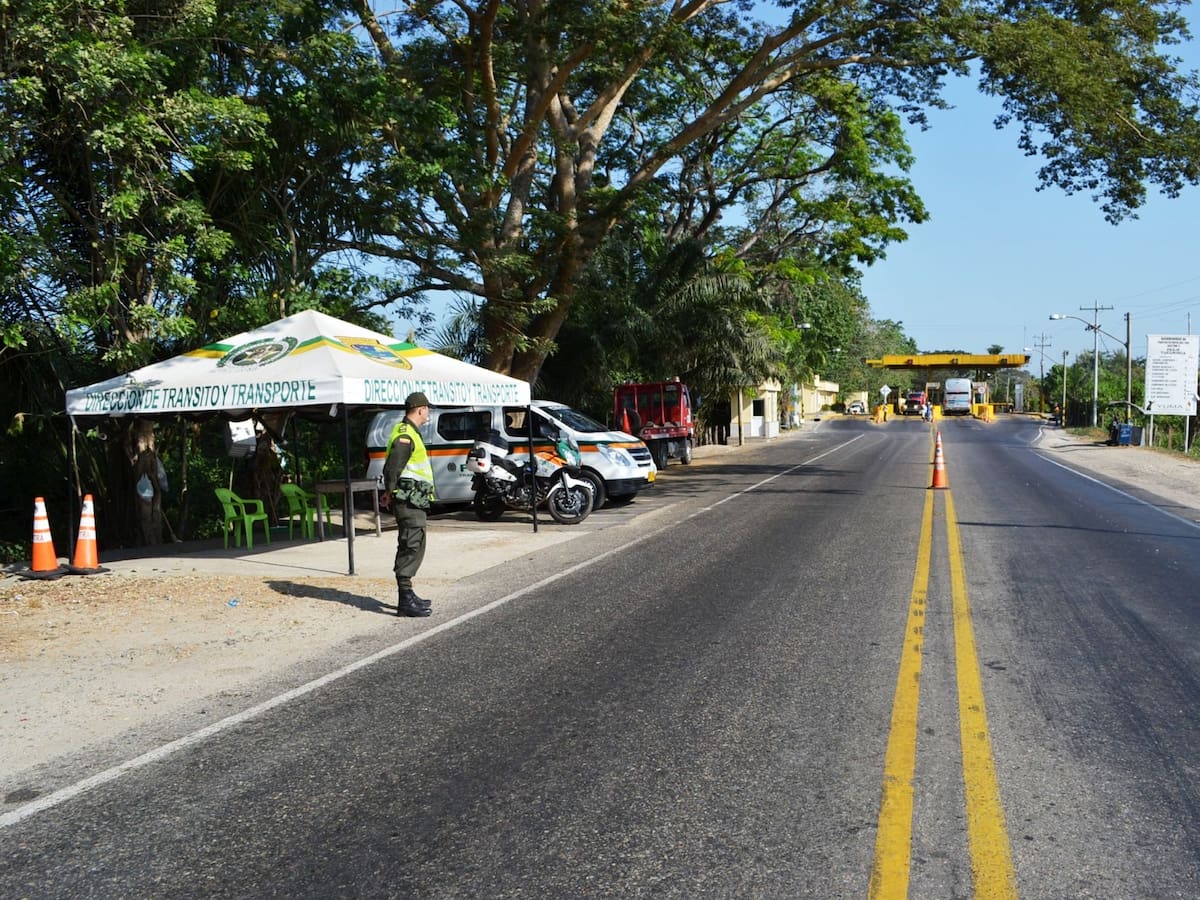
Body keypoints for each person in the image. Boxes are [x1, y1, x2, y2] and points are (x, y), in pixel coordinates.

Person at [382, 391, 435, 617]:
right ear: (421, 409)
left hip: (414, 500)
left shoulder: (411, 432)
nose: (428, 414)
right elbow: (393, 467)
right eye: (427, 410)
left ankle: (409, 594)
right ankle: (405, 600)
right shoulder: (405, 435)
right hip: (408, 500)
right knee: (410, 544)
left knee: (415, 542)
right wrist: (390, 491)